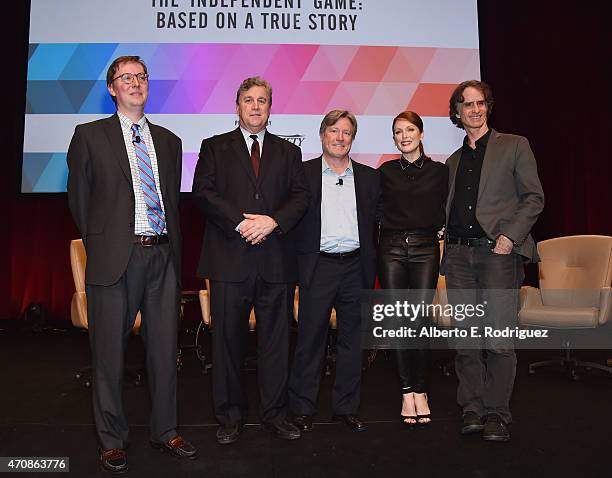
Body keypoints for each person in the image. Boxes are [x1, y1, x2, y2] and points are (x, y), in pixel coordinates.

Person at [67, 55, 197, 475]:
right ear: (112, 88)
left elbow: (173, 204)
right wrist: (104, 246)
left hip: (163, 257)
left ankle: (166, 430)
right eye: (126, 78)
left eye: (141, 77)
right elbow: (80, 201)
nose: (135, 83)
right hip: (114, 260)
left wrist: (171, 256)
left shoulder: (170, 141)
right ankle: (111, 440)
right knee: (109, 356)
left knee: (164, 353)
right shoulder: (89, 136)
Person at [192, 76, 309, 444]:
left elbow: (301, 196)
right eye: (248, 100)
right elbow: (204, 193)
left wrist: (274, 221)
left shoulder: (288, 152)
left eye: (262, 100)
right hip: (230, 259)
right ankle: (229, 416)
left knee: (276, 343)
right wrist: (241, 223)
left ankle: (274, 414)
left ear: (270, 108)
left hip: (275, 260)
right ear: (237, 106)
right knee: (227, 342)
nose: (256, 106)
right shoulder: (214, 147)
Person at [443, 80, 544, 441]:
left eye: (480, 103)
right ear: (457, 112)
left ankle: (497, 413)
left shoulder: (515, 145)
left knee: (498, 336)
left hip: (497, 254)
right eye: (466, 104)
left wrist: (509, 237)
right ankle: (472, 408)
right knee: (466, 338)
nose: (474, 109)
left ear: (488, 107)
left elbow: (533, 198)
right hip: (458, 256)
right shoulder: (453, 160)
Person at [289, 110, 381, 433]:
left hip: (356, 267)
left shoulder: (370, 178)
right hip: (319, 266)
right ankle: (302, 408)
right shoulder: (302, 174)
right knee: (310, 339)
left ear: (352, 139)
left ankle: (346, 407)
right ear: (322, 135)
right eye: (334, 131)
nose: (340, 138)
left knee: (352, 341)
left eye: (346, 132)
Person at [377, 111, 448, 428]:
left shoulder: (440, 171)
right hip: (390, 248)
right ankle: (407, 391)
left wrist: (443, 227)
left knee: (419, 319)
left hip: (425, 249)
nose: (403, 135)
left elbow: (451, 207)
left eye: (409, 129)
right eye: (397, 132)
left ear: (421, 133)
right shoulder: (385, 172)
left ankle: (422, 389)